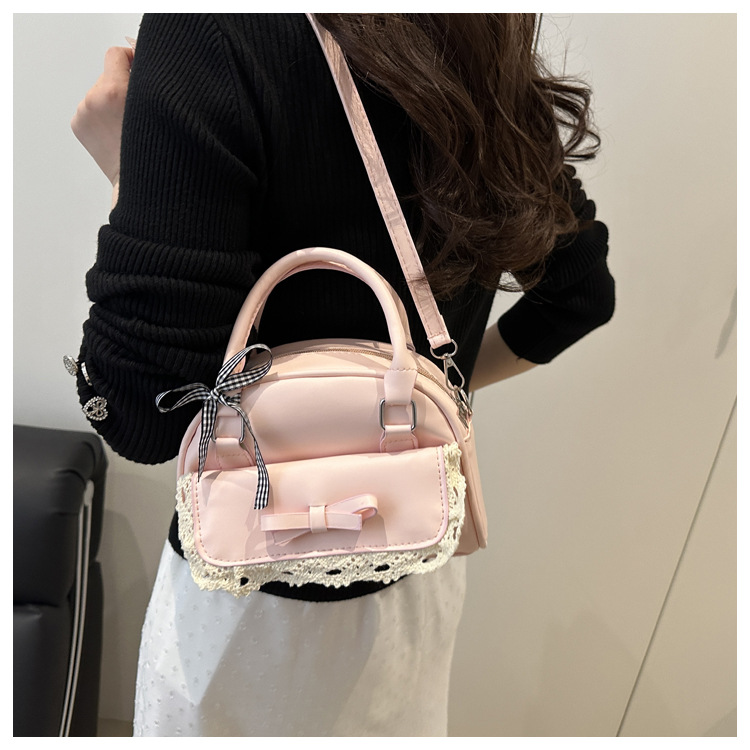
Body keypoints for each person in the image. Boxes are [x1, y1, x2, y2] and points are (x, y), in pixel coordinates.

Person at [70, 13, 615, 737]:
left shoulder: (210, 29)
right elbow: (580, 294)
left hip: (239, 603)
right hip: (413, 569)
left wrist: (127, 174)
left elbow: (138, 412)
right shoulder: (474, 32)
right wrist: (429, 401)